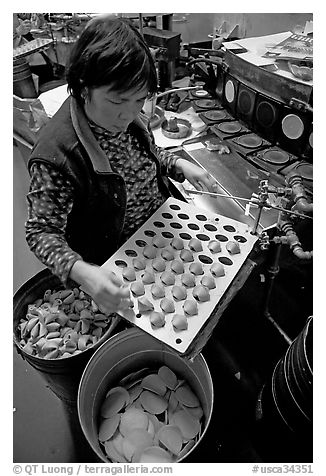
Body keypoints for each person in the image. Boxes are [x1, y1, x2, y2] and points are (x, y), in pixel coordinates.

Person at [25, 15, 218, 315]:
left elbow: (145, 158)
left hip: (160, 231)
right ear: (83, 86)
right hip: (116, 257)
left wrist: (178, 163)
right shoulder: (58, 154)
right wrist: (82, 272)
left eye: (139, 100)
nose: (129, 114)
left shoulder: (128, 117)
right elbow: (40, 232)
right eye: (117, 102)